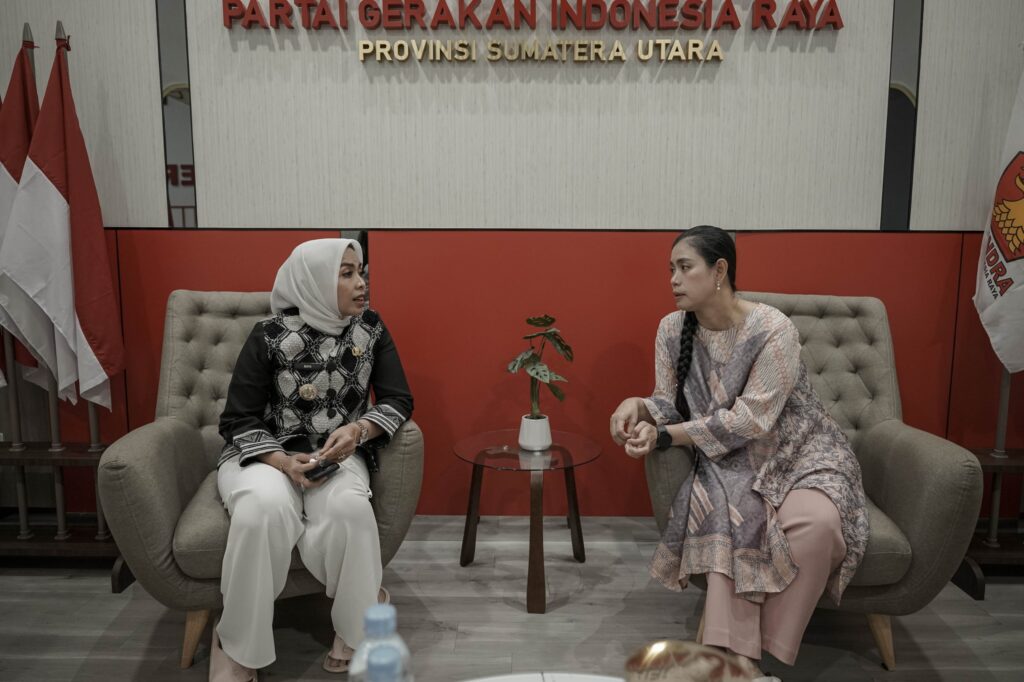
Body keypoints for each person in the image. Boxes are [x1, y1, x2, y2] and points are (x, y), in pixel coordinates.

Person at [610, 225, 868, 673]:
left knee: (820, 525)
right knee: (732, 518)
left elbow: (751, 420)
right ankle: (742, 666)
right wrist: (638, 407)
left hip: (802, 452)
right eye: (670, 269)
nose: (673, 279)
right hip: (729, 458)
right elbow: (669, 404)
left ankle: (765, 651)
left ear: (719, 271)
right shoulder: (671, 329)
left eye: (684, 267)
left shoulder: (772, 328)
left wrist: (667, 435)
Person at [212, 238, 413, 680]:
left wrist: (359, 430)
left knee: (349, 509)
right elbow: (238, 419)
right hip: (265, 456)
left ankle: (359, 626)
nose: (361, 283)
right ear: (314, 280)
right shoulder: (269, 335)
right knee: (261, 509)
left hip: (336, 454)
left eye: (361, 272)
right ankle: (237, 643)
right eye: (347, 273)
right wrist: (283, 463)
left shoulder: (371, 329)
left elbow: (398, 399)